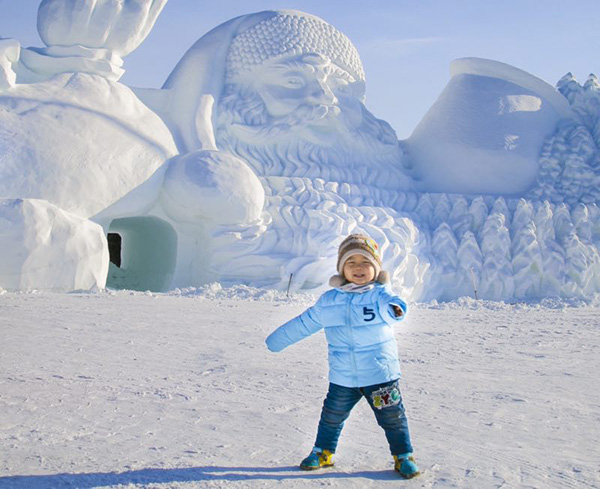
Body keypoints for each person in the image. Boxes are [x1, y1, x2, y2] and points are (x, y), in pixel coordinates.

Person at [265, 234, 419, 479]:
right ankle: (323, 452)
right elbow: (305, 322)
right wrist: (276, 341)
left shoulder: (380, 296)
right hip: (343, 377)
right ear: (342, 268)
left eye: (365, 262)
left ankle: (403, 456)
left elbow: (396, 308)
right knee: (331, 417)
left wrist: (396, 309)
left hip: (379, 375)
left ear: (376, 268)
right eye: (351, 262)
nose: (358, 268)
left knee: (392, 417)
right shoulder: (330, 301)